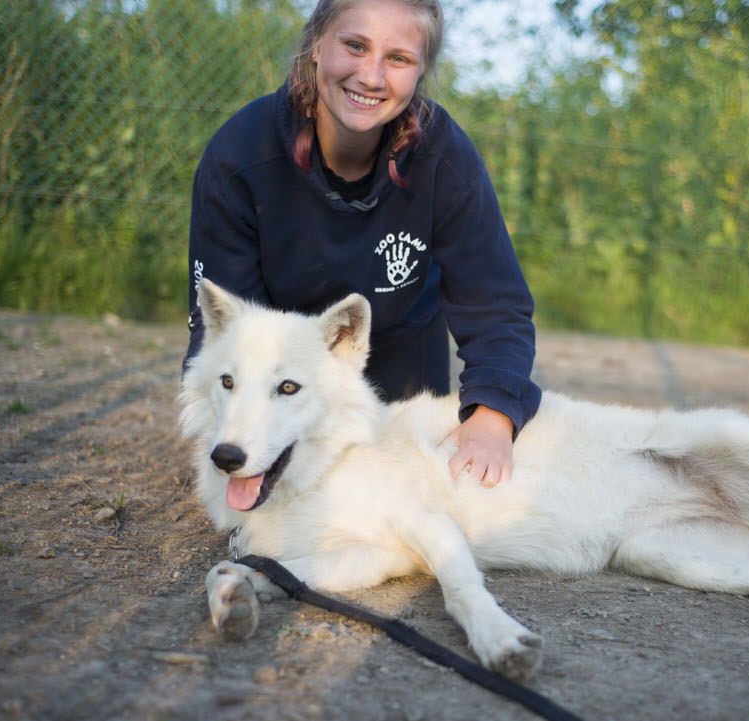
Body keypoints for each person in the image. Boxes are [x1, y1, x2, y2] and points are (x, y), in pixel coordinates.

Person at [185, 0, 540, 487]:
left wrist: (493, 416)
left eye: (398, 59)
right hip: (271, 363)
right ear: (316, 47)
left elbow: (495, 303)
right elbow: (226, 329)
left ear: (420, 73)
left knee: (396, 481)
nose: (371, 76)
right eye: (355, 46)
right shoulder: (240, 153)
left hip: (399, 341)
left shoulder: (444, 155)